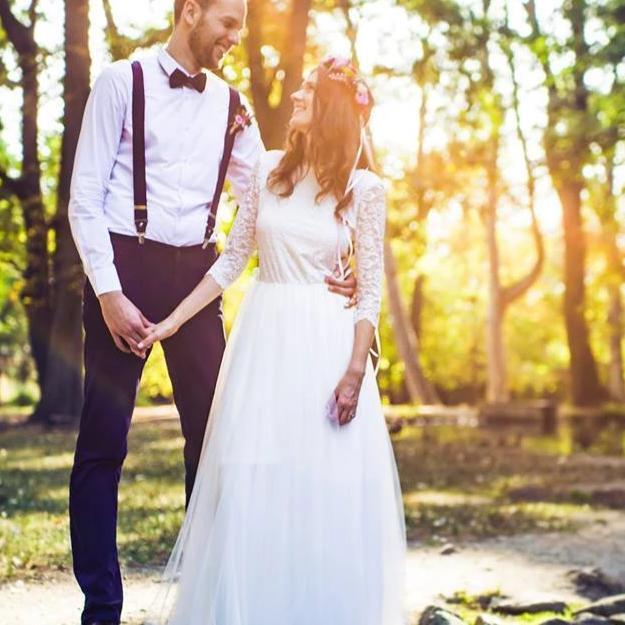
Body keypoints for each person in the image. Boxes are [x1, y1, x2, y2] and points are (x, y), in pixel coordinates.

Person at [67, 1, 356, 623]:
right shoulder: (122, 82)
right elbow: (85, 197)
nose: (233, 39)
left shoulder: (234, 108)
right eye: (227, 25)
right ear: (190, 11)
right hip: (122, 266)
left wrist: (338, 248)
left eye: (240, 30)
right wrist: (110, 292)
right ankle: (102, 605)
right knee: (102, 444)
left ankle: (208, 597)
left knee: (215, 437)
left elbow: (280, 184)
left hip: (197, 277)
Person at [139, 55, 406, 625]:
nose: (296, 98)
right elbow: (234, 258)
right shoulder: (267, 169)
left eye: (308, 90)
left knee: (320, 484)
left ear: (333, 110)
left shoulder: (365, 189)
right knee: (252, 476)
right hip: (264, 339)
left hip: (325, 344)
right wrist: (173, 319)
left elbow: (370, 290)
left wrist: (356, 370)